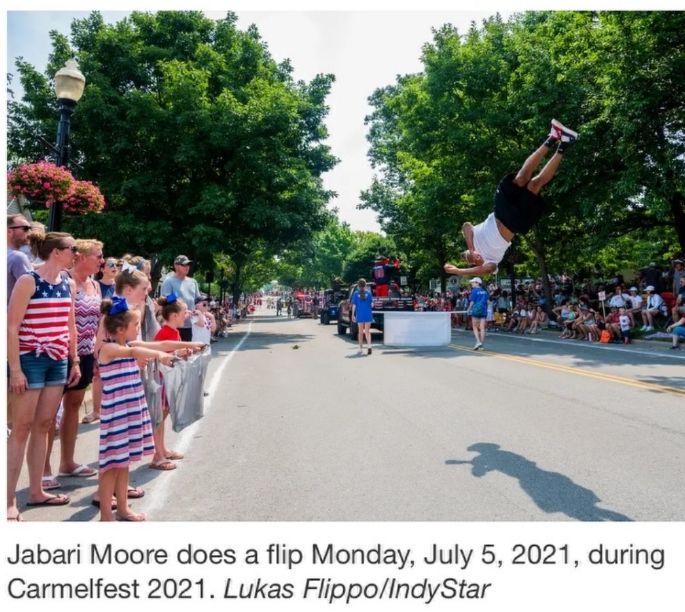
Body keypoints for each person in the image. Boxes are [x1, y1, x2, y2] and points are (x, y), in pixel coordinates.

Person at [444, 119, 578, 277]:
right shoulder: (491, 262)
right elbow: (485, 270)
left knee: (521, 177)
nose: (473, 258)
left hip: (500, 210)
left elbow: (466, 226)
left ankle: (553, 137)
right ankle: (565, 144)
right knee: (535, 184)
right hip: (515, 222)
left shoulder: (473, 241)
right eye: (472, 261)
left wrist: (472, 250)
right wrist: (459, 271)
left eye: (469, 257)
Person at [7, 232, 79, 521]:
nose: (76, 253)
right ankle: (9, 499)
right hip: (30, 359)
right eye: (72, 249)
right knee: (21, 427)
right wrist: (15, 369)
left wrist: (73, 361)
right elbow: (11, 327)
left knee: (45, 425)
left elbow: (69, 325)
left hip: (57, 360)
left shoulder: (67, 283)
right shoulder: (28, 281)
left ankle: (36, 491)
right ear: (57, 252)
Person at [96, 297, 175, 521]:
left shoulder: (128, 345)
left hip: (129, 413)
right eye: (136, 325)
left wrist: (186, 346)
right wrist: (160, 356)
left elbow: (158, 345)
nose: (138, 329)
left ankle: (123, 508)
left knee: (123, 463)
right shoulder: (109, 349)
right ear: (121, 329)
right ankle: (105, 517)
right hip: (116, 416)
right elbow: (140, 353)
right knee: (110, 466)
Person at [55, 240, 104, 481]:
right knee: (51, 412)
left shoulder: (95, 284)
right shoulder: (67, 280)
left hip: (85, 354)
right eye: (98, 256)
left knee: (73, 405)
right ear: (82, 257)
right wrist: (72, 355)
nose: (101, 260)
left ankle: (67, 461)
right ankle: (43, 470)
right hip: (64, 353)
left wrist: (95, 354)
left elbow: (97, 323)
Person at [151, 293, 204, 470]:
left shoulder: (173, 332)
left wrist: (183, 353)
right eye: (183, 313)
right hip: (161, 380)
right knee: (159, 418)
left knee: (163, 416)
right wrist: (179, 353)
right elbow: (160, 357)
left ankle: (162, 449)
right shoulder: (165, 333)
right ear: (174, 316)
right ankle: (157, 455)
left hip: (168, 379)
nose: (186, 316)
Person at [160, 255, 201, 341]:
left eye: (188, 265)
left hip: (190, 324)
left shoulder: (193, 282)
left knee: (188, 352)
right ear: (176, 266)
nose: (187, 267)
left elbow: (197, 301)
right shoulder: (169, 281)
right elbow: (164, 301)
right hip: (174, 325)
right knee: (175, 352)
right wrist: (176, 297)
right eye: (184, 265)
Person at [7, 214, 33, 303]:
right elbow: (33, 289)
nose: (30, 232)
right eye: (25, 228)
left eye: (30, 228)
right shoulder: (17, 257)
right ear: (9, 231)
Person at [351, 278, 374, 355]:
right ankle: (369, 346)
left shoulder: (356, 294)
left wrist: (352, 315)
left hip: (360, 315)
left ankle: (360, 349)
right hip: (368, 314)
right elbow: (372, 304)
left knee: (360, 333)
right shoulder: (369, 293)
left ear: (358, 285)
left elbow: (354, 305)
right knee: (367, 331)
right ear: (366, 285)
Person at [467, 277, 489, 350]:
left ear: (477, 283)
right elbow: (488, 301)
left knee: (475, 327)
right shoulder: (485, 291)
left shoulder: (474, 291)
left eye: (473, 282)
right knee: (482, 328)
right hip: (484, 310)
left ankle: (478, 341)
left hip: (476, 310)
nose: (472, 284)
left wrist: (468, 309)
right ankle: (481, 345)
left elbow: (472, 302)